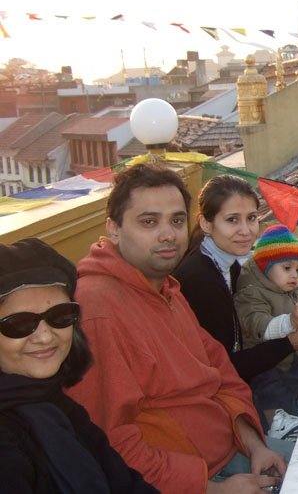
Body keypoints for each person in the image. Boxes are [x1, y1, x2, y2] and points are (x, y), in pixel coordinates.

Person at [65, 163, 286, 494]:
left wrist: (254, 444)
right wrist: (215, 489)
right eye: (149, 222)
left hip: (236, 451)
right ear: (113, 228)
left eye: (177, 221)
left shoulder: (167, 289)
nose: (168, 234)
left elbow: (222, 374)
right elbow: (108, 440)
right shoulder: (100, 310)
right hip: (194, 481)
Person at [0, 238, 156, 493]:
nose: (45, 337)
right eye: (19, 323)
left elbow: (124, 481)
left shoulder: (54, 402)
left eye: (60, 316)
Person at [234, 224, 298, 431]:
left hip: (290, 355)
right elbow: (259, 326)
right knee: (271, 390)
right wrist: (291, 322)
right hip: (262, 361)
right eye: (287, 268)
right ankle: (278, 423)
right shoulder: (251, 292)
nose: (294, 275)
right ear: (266, 267)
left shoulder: (291, 286)